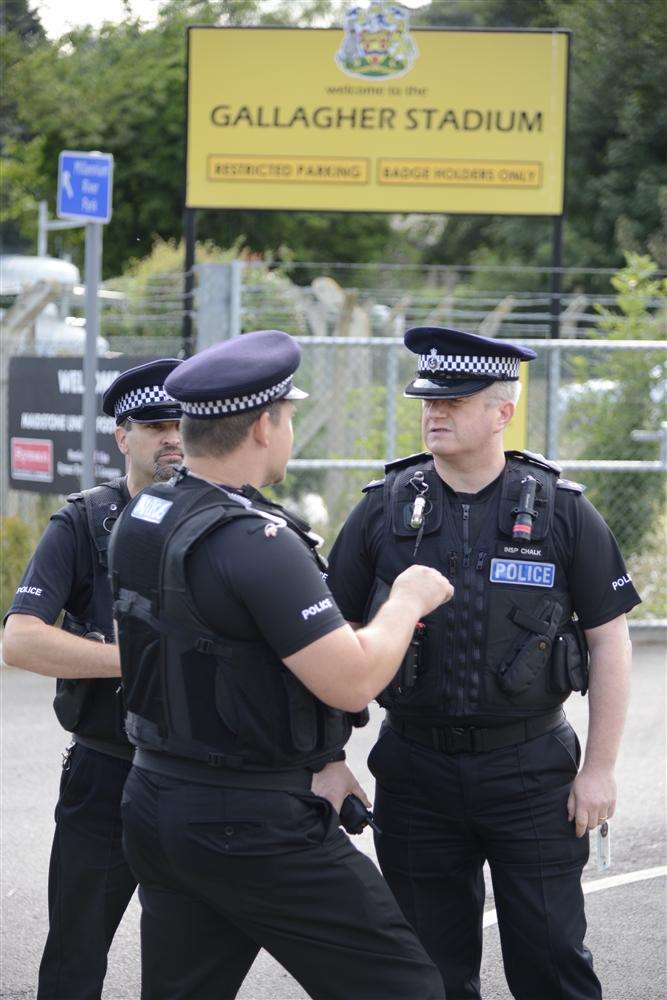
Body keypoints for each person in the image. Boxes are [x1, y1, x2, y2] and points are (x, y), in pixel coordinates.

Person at [109, 329, 453, 1000]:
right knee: (405, 988)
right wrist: (407, 600)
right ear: (264, 426)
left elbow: (225, 659)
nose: (288, 432)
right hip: (249, 821)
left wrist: (319, 760)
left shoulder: (146, 514)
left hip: (157, 795)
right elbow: (352, 677)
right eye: (288, 418)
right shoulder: (256, 540)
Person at [327, 326, 641, 1000]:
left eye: (455, 401)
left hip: (529, 770)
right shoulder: (381, 511)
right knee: (425, 971)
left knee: (552, 959)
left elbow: (609, 640)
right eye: (428, 401)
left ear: (502, 411)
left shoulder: (561, 511)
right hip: (413, 769)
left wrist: (600, 770)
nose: (434, 412)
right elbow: (329, 637)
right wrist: (326, 757)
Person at [3, 359, 183, 1000]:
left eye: (183, 422)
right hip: (108, 769)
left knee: (189, 967)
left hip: (204, 780)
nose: (173, 437)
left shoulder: (232, 522)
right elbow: (20, 640)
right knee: (74, 962)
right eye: (156, 424)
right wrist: (132, 660)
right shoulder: (83, 523)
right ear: (121, 436)